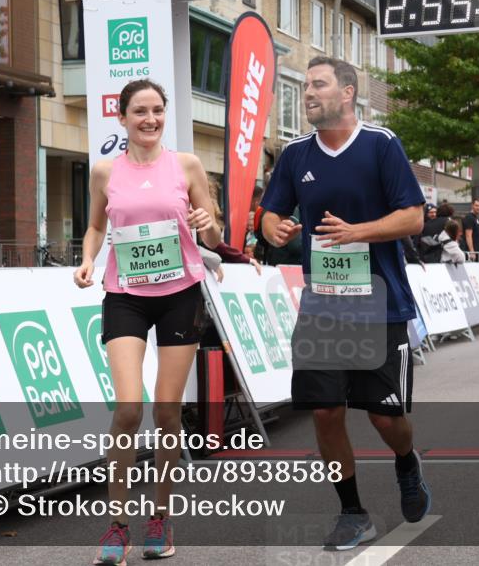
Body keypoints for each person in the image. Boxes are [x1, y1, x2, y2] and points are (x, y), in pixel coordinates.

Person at [259, 57, 430, 551]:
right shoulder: (295, 155)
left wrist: (360, 232)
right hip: (323, 306)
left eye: (318, 84)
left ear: (348, 92)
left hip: (380, 305)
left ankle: (406, 462)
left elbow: (414, 217)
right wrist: (275, 227)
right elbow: (269, 215)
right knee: (326, 413)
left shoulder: (381, 145)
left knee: (385, 419)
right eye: (306, 85)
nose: (308, 92)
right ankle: (352, 512)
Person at [73, 79, 221, 562]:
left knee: (166, 411)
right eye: (140, 111)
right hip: (125, 295)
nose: (150, 119)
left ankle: (160, 518)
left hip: (180, 293)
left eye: (158, 110)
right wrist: (88, 259)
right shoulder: (104, 172)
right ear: (123, 118)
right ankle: (117, 525)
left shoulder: (186, 165)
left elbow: (214, 230)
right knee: (128, 408)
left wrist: (208, 225)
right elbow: (96, 225)